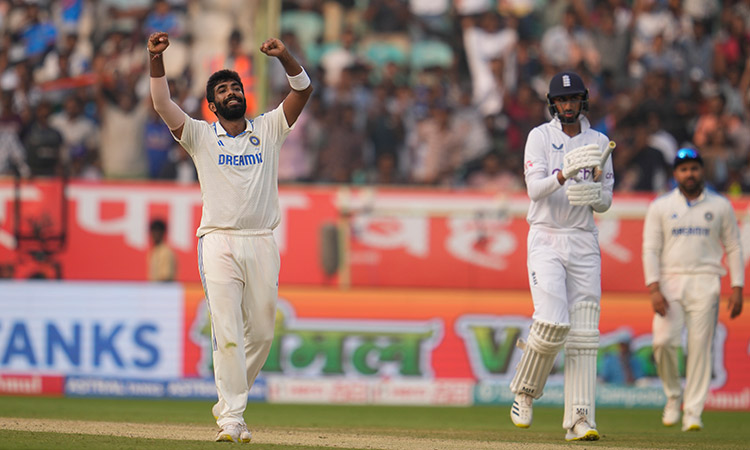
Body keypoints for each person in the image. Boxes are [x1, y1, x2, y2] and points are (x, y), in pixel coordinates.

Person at [147, 30, 312, 443]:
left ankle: (229, 401)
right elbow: (162, 104)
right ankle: (232, 418)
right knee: (228, 331)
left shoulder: (270, 129)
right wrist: (155, 59)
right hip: (218, 240)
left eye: (235, 86)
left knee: (262, 333)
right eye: (222, 89)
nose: (231, 92)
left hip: (261, 240)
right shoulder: (200, 135)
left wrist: (286, 56)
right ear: (212, 104)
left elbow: (303, 90)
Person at [509, 71, 614, 441]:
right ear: (552, 103)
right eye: (561, 100)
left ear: (582, 101)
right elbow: (535, 190)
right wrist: (563, 175)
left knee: (584, 334)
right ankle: (525, 389)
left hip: (583, 240)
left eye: (573, 99)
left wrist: (592, 192)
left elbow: (605, 200)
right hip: (547, 237)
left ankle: (580, 419)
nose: (568, 105)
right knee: (552, 322)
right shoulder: (540, 137)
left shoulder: (599, 141)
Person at [642, 147, 744, 432]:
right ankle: (674, 396)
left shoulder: (720, 205)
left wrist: (737, 287)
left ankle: (694, 411)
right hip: (670, 281)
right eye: (684, 169)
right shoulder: (660, 207)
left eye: (694, 168)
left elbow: (734, 247)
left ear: (702, 171)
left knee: (700, 347)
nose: (690, 174)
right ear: (675, 174)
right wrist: (653, 287)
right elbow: (650, 248)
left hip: (706, 280)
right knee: (662, 342)